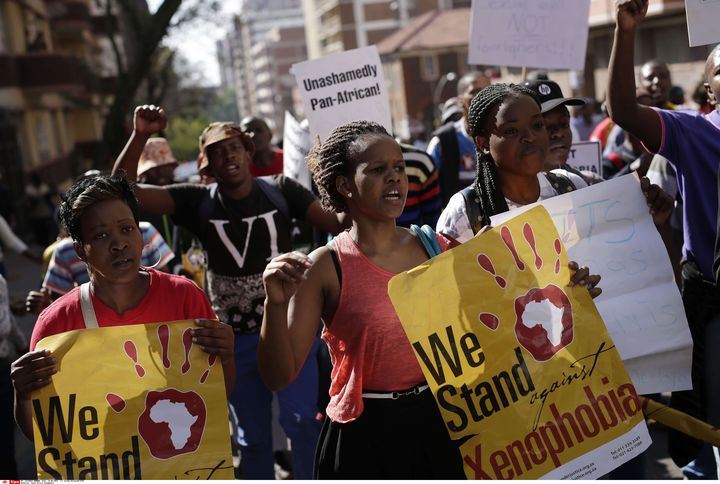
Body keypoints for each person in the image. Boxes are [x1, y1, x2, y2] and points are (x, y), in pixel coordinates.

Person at [257, 120, 602, 478]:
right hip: (365, 436)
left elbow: (511, 317)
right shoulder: (325, 266)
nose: (394, 178)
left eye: (399, 167)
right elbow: (278, 376)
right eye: (377, 170)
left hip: (446, 424)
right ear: (344, 185)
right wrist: (275, 304)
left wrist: (568, 291)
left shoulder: (437, 248)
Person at [112, 105, 347, 480]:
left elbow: (338, 221)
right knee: (251, 440)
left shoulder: (282, 191)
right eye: (218, 152)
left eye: (234, 147)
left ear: (248, 152)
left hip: (289, 331)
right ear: (208, 162)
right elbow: (122, 192)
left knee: (303, 424)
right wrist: (140, 133)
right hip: (231, 342)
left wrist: (345, 172)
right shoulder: (196, 201)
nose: (228, 156)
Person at [10, 174, 234, 441]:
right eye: (102, 235)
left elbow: (216, 395)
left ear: (141, 234)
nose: (119, 244)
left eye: (127, 229)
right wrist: (22, 396)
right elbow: (42, 434)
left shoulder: (185, 297)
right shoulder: (55, 325)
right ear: (80, 251)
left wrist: (227, 356)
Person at [607, 0, 720, 476]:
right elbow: (624, 110)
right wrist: (626, 29)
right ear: (710, 86)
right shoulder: (695, 132)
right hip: (712, 299)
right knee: (711, 415)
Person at [427, 71, 492, 205]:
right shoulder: (442, 142)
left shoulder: (505, 136)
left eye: (489, 90)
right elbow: (429, 192)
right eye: (475, 91)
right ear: (460, 100)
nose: (484, 96)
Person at [523, 80, 603, 185]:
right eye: (545, 126)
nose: (559, 133)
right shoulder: (505, 197)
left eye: (564, 124)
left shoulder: (591, 184)